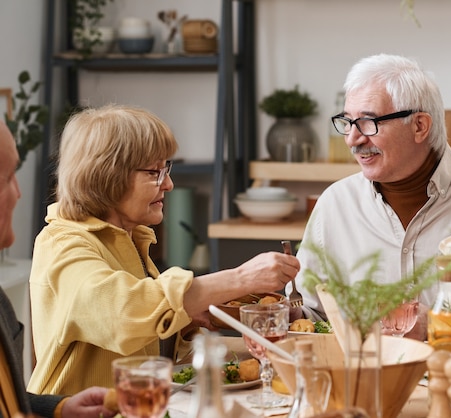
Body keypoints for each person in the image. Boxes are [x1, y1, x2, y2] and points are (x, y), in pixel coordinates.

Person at [27, 104, 300, 395]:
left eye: (166, 169)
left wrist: (184, 322)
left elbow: (143, 343)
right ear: (107, 176)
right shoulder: (62, 244)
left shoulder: (129, 241)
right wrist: (242, 277)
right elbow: (124, 314)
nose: (168, 184)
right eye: (154, 172)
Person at [290, 53, 451, 345]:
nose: (352, 139)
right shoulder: (335, 203)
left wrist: (439, 322)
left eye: (367, 123)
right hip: (367, 384)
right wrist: (263, 303)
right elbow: (308, 315)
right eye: (348, 122)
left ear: (419, 126)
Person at [0, 121, 116, 417]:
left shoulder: (1, 303)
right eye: (6, 178)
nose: (18, 193)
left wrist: (60, 408)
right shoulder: (64, 242)